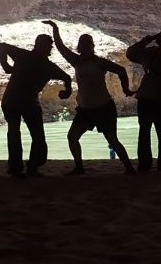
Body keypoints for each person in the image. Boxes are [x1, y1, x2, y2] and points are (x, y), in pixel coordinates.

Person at [44, 20, 136, 175]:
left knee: (112, 140)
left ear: (92, 47)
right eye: (83, 44)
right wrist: (55, 29)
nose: (85, 47)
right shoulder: (76, 61)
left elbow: (120, 70)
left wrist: (126, 88)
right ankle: (79, 167)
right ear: (80, 47)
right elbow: (60, 47)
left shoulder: (99, 62)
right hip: (86, 109)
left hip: (104, 107)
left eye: (88, 44)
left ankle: (129, 168)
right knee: (72, 137)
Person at [0, 35, 72, 178]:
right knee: (29, 134)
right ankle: (27, 167)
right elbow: (2, 45)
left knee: (18, 133)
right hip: (19, 102)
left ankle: (21, 168)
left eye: (50, 46)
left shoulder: (29, 58)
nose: (50, 49)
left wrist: (5, 65)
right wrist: (5, 65)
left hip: (17, 101)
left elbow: (3, 46)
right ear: (39, 45)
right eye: (48, 46)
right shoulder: (42, 64)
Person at [126, 28, 161, 172]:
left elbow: (131, 53)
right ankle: (156, 164)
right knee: (155, 132)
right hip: (157, 97)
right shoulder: (158, 53)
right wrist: (145, 41)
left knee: (153, 132)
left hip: (153, 97)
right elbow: (130, 53)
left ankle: (151, 164)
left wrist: (147, 41)